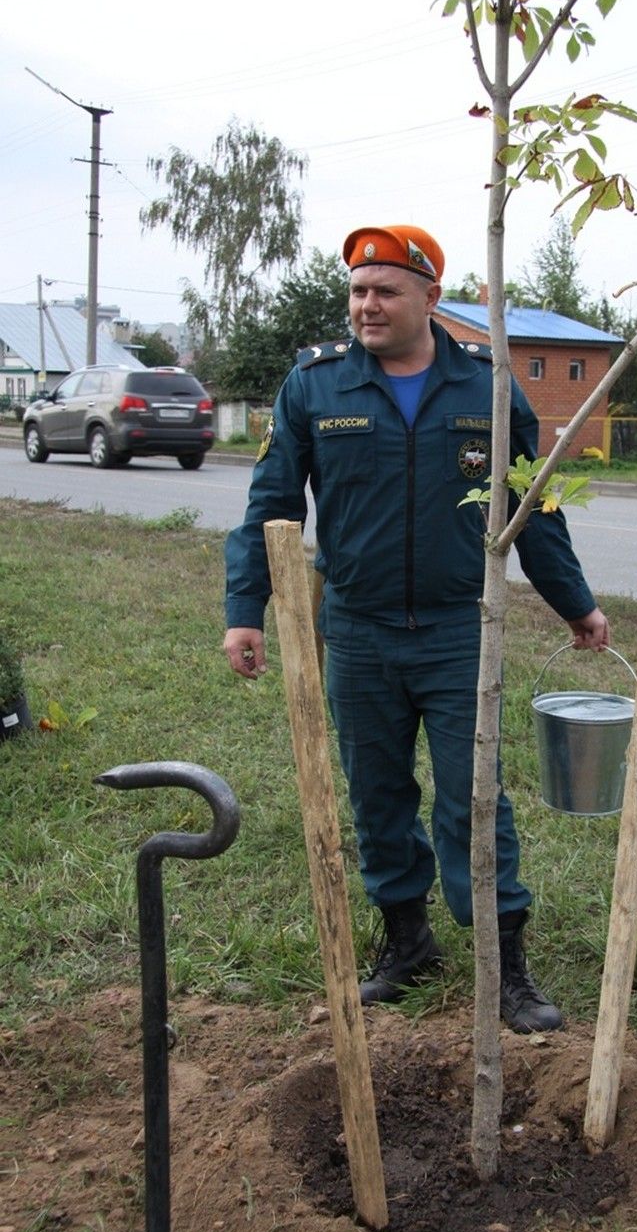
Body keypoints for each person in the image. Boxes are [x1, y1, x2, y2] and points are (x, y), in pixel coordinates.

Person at [223, 224, 609, 1033]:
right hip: (356, 632)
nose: (367, 305)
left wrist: (575, 603)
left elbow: (530, 508)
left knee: (475, 798)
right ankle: (407, 944)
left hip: (459, 630)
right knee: (378, 794)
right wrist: (244, 611)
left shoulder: (489, 388)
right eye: (359, 291)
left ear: (430, 299)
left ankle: (504, 968)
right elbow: (272, 505)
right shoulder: (316, 387)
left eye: (385, 290)